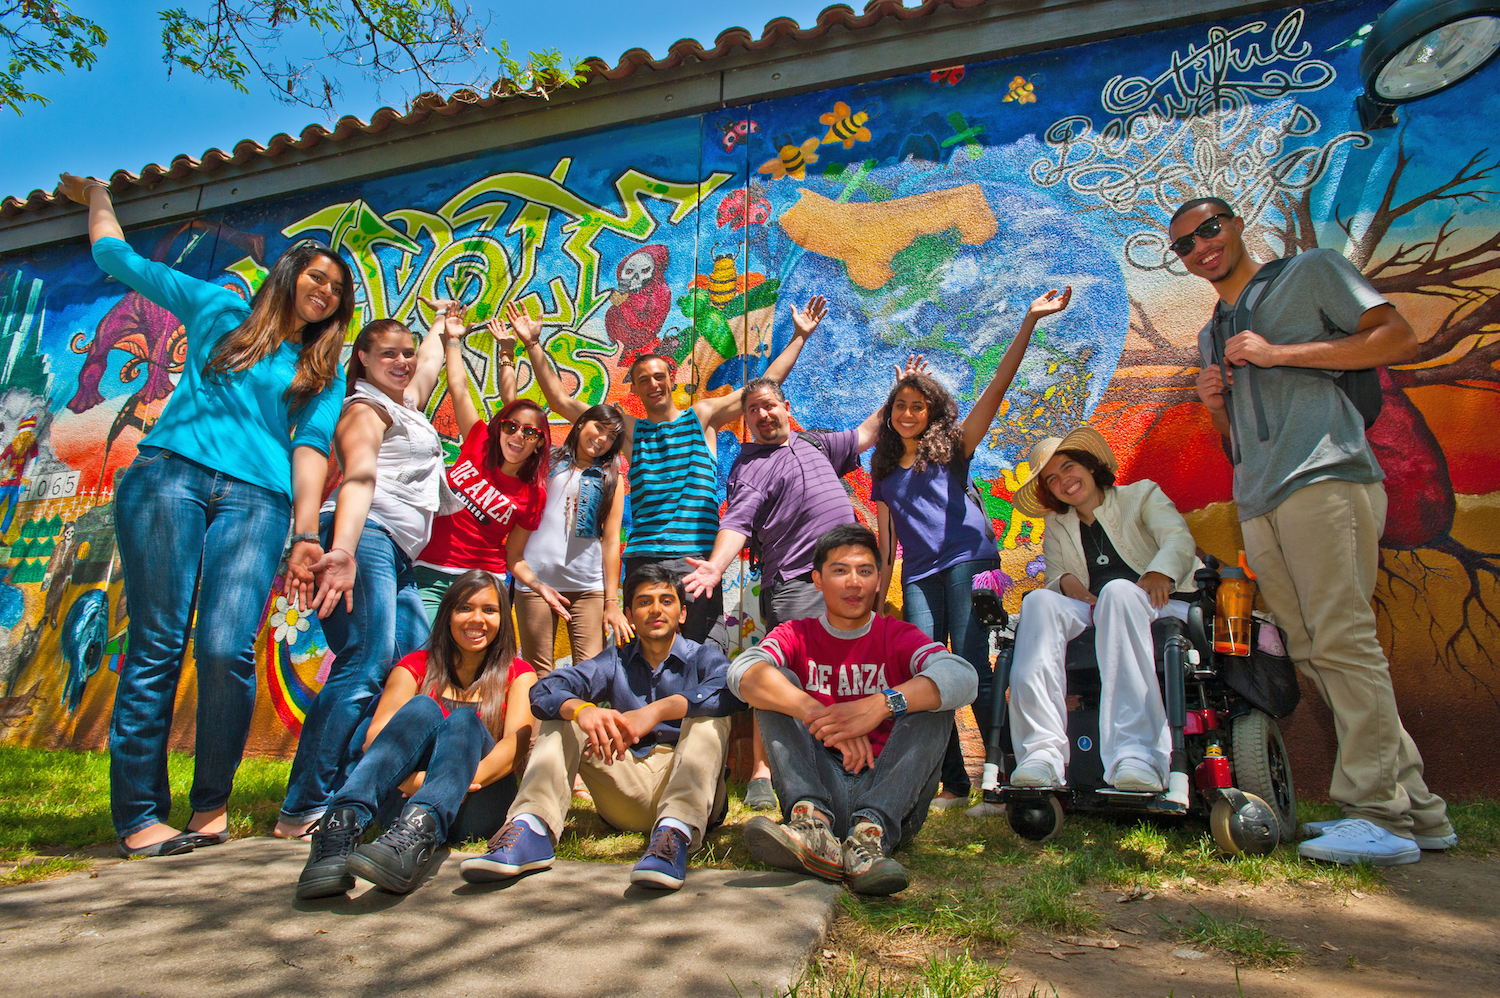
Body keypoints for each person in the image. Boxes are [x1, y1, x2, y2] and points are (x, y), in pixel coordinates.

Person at [61, 172, 352, 858]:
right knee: (158, 643)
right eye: (318, 277)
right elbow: (117, 258)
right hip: (169, 479)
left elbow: (311, 448)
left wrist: (307, 534)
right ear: (289, 275)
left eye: (338, 289)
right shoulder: (218, 309)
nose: (327, 292)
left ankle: (210, 805)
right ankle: (138, 816)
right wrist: (99, 198)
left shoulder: (323, 366)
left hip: (259, 500)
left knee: (225, 648)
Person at [1175, 196, 1454, 866]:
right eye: (1184, 245)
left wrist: (1278, 354)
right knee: (1310, 647)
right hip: (1260, 496)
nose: (1201, 247)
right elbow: (1238, 438)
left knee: (1343, 637)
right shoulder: (1214, 329)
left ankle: (1376, 812)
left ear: (1238, 226)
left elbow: (1396, 337)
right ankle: (1420, 812)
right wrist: (1217, 406)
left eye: (1210, 229)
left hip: (1326, 476)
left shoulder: (1313, 272)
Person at [680, 357, 926, 811]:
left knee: (846, 677)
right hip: (797, 586)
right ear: (746, 420)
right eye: (753, 409)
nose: (763, 414)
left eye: (769, 405)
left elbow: (868, 433)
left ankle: (841, 774)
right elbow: (735, 524)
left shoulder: (816, 444)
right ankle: (763, 774)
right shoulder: (749, 467)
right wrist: (715, 566)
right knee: (787, 680)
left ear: (785, 407)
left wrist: (898, 391)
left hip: (849, 581)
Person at [510, 295, 824, 645]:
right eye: (643, 380)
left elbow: (761, 387)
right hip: (644, 558)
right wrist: (533, 344)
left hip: (697, 561)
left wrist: (799, 336)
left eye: (659, 376)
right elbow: (562, 403)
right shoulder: (631, 431)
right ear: (636, 388)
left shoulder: (702, 417)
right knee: (642, 655)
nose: (653, 384)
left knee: (705, 651)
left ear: (671, 379)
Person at [872, 288, 1072, 809]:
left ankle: (1000, 778)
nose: (909, 413)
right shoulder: (884, 469)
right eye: (901, 405)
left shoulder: (955, 448)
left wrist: (1028, 320)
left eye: (918, 405)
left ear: (933, 412)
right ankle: (953, 782)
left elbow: (998, 386)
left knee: (972, 666)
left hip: (970, 564)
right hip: (919, 576)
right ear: (890, 412)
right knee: (926, 672)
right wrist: (876, 595)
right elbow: (887, 537)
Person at [274, 309, 453, 838]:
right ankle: (305, 804)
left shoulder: (406, 405)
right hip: (364, 538)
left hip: (395, 553)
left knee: (414, 665)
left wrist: (444, 327)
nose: (402, 362)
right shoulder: (365, 410)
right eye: (388, 354)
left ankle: (358, 787)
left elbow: (430, 367)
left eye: (407, 352)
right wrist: (344, 552)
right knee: (366, 661)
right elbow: (358, 478)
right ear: (363, 360)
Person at [727, 524, 977, 896]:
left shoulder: (898, 635)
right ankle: (812, 826)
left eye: (865, 571)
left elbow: (964, 676)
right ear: (817, 579)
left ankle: (869, 837)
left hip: (892, 799)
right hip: (818, 784)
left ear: (879, 581)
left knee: (934, 696)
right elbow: (741, 673)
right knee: (772, 682)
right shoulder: (797, 633)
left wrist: (880, 705)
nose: (854, 582)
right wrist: (825, 718)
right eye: (840, 571)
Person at [459, 563, 741, 892]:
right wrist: (582, 710)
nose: (655, 610)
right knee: (563, 713)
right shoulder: (615, 660)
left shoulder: (704, 657)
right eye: (644, 602)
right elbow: (547, 689)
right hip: (627, 783)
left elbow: (730, 690)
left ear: (682, 614)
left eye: (666, 601)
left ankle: (673, 838)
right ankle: (531, 830)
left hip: (690, 784)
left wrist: (656, 711)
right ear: (630, 614)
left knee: (710, 715)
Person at [296, 570, 536, 898]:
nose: (476, 619)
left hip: (479, 803)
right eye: (465, 608)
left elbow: (515, 746)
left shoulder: (518, 672)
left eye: (489, 610)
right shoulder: (416, 665)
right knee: (422, 707)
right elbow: (377, 736)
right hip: (402, 805)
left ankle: (413, 836)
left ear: (502, 620)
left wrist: (452, 781)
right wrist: (417, 783)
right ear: (448, 614)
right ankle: (339, 830)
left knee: (464, 721)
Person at [1006, 425, 1200, 791]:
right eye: (1052, 478)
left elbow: (1176, 537)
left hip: (1162, 603)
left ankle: (1137, 755)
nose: (1064, 480)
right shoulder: (1058, 524)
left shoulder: (1141, 495)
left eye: (1068, 467)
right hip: (1102, 611)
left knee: (1119, 592)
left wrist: (1160, 571)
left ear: (1089, 466)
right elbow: (1056, 572)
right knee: (1038, 602)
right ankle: (1041, 754)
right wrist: (1065, 583)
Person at [412, 303, 548, 621]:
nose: (517, 436)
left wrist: (539, 586)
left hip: (483, 583)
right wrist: (453, 340)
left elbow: (514, 555)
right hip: (430, 570)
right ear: (500, 428)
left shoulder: (533, 494)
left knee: (468, 668)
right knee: (417, 652)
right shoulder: (478, 440)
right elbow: (458, 388)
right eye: (510, 427)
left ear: (540, 441)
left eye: (529, 432)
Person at [505, 388, 632, 676]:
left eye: (611, 437)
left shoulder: (612, 477)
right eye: (598, 428)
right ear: (580, 424)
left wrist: (612, 601)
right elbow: (513, 411)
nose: (601, 439)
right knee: (538, 673)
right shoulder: (544, 460)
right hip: (536, 583)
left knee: (590, 674)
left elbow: (612, 541)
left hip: (587, 588)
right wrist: (508, 357)